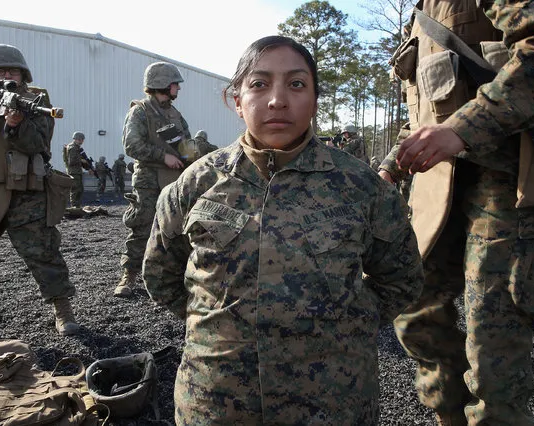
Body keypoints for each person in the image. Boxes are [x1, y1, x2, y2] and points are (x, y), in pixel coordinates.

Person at [142, 35, 424, 425]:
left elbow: (402, 278)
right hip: (217, 400)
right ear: (236, 100)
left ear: (314, 100)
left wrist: (346, 324)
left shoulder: (361, 187)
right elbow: (160, 275)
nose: (278, 100)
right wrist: (218, 326)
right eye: (259, 84)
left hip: (333, 401)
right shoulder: (196, 185)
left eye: (296, 84)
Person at [380, 2, 534, 425]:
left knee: (493, 359)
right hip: (439, 194)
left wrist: (462, 130)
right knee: (415, 316)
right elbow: (428, 115)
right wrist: (387, 170)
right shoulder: (421, 13)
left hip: (510, 189)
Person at [0, 44, 79, 339]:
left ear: (23, 73)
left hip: (28, 192)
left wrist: (16, 124)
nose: (7, 75)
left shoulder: (37, 101)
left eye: (13, 70)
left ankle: (63, 311)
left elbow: (37, 144)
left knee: (45, 254)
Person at [114, 61, 190, 297]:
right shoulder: (140, 111)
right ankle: (129, 276)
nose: (178, 88)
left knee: (177, 228)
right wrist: (163, 156)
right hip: (148, 177)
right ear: (162, 84)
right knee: (143, 225)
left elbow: (185, 145)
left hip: (174, 179)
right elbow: (131, 145)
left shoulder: (174, 114)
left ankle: (175, 277)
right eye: (175, 83)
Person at [63, 131, 89, 208]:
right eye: (81, 140)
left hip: (77, 171)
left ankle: (77, 206)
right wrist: (81, 160)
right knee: (75, 190)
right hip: (74, 172)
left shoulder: (76, 148)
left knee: (80, 189)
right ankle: (74, 206)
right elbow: (72, 161)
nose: (82, 142)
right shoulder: (73, 148)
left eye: (82, 140)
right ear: (76, 139)